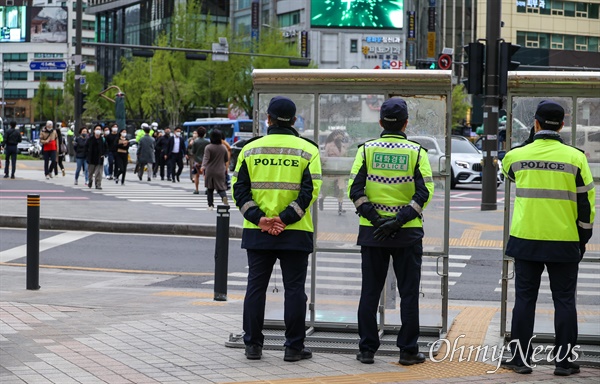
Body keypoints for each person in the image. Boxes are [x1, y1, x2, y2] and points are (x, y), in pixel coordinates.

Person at [500, 100, 595, 376]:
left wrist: (531, 139)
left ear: (536, 123)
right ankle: (564, 363)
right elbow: (587, 202)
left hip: (525, 239)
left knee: (525, 300)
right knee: (564, 300)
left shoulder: (517, 156)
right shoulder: (576, 157)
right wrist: (583, 238)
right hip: (564, 241)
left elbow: (508, 172)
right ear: (563, 125)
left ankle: (520, 360)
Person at [232, 96, 322, 362]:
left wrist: (260, 219)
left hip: (257, 230)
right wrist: (285, 219)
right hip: (295, 230)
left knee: (255, 288)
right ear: (294, 121)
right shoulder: (308, 150)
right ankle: (294, 347)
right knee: (294, 289)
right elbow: (311, 191)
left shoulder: (250, 149)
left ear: (267, 119)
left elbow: (239, 189)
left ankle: (253, 346)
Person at [348, 98, 434, 366]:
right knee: (409, 293)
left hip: (372, 234)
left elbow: (355, 190)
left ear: (381, 122)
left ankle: (367, 350)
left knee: (370, 292)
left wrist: (377, 221)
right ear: (406, 122)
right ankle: (408, 351)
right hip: (407, 234)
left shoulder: (366, 151)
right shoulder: (417, 153)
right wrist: (398, 221)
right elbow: (425, 192)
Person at [320, 130, 348, 214]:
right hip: (331, 170)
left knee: (340, 189)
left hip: (340, 170)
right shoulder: (329, 145)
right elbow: (325, 156)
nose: (340, 137)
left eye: (341, 136)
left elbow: (345, 156)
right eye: (338, 135)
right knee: (328, 189)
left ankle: (340, 207)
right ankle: (322, 199)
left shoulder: (343, 146)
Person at [201, 130, 229, 209]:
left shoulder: (208, 147)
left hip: (210, 170)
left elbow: (206, 158)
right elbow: (226, 159)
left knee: (210, 188)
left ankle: (210, 205)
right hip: (220, 170)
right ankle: (224, 197)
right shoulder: (223, 148)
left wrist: (203, 166)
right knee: (221, 187)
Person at [85, 124, 107, 189]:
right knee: (90, 173)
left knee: (99, 173)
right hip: (91, 159)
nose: (98, 130)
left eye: (99, 129)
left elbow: (106, 148)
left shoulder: (103, 139)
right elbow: (86, 148)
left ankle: (98, 184)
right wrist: (87, 155)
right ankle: (90, 181)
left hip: (100, 158)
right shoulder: (90, 139)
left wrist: (104, 154)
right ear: (94, 130)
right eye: (97, 129)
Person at [191, 127, 209, 194]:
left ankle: (196, 189)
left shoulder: (195, 142)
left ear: (198, 133)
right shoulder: (207, 142)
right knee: (205, 175)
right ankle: (207, 188)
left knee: (196, 175)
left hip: (197, 161)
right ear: (204, 133)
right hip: (205, 161)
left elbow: (193, 151)